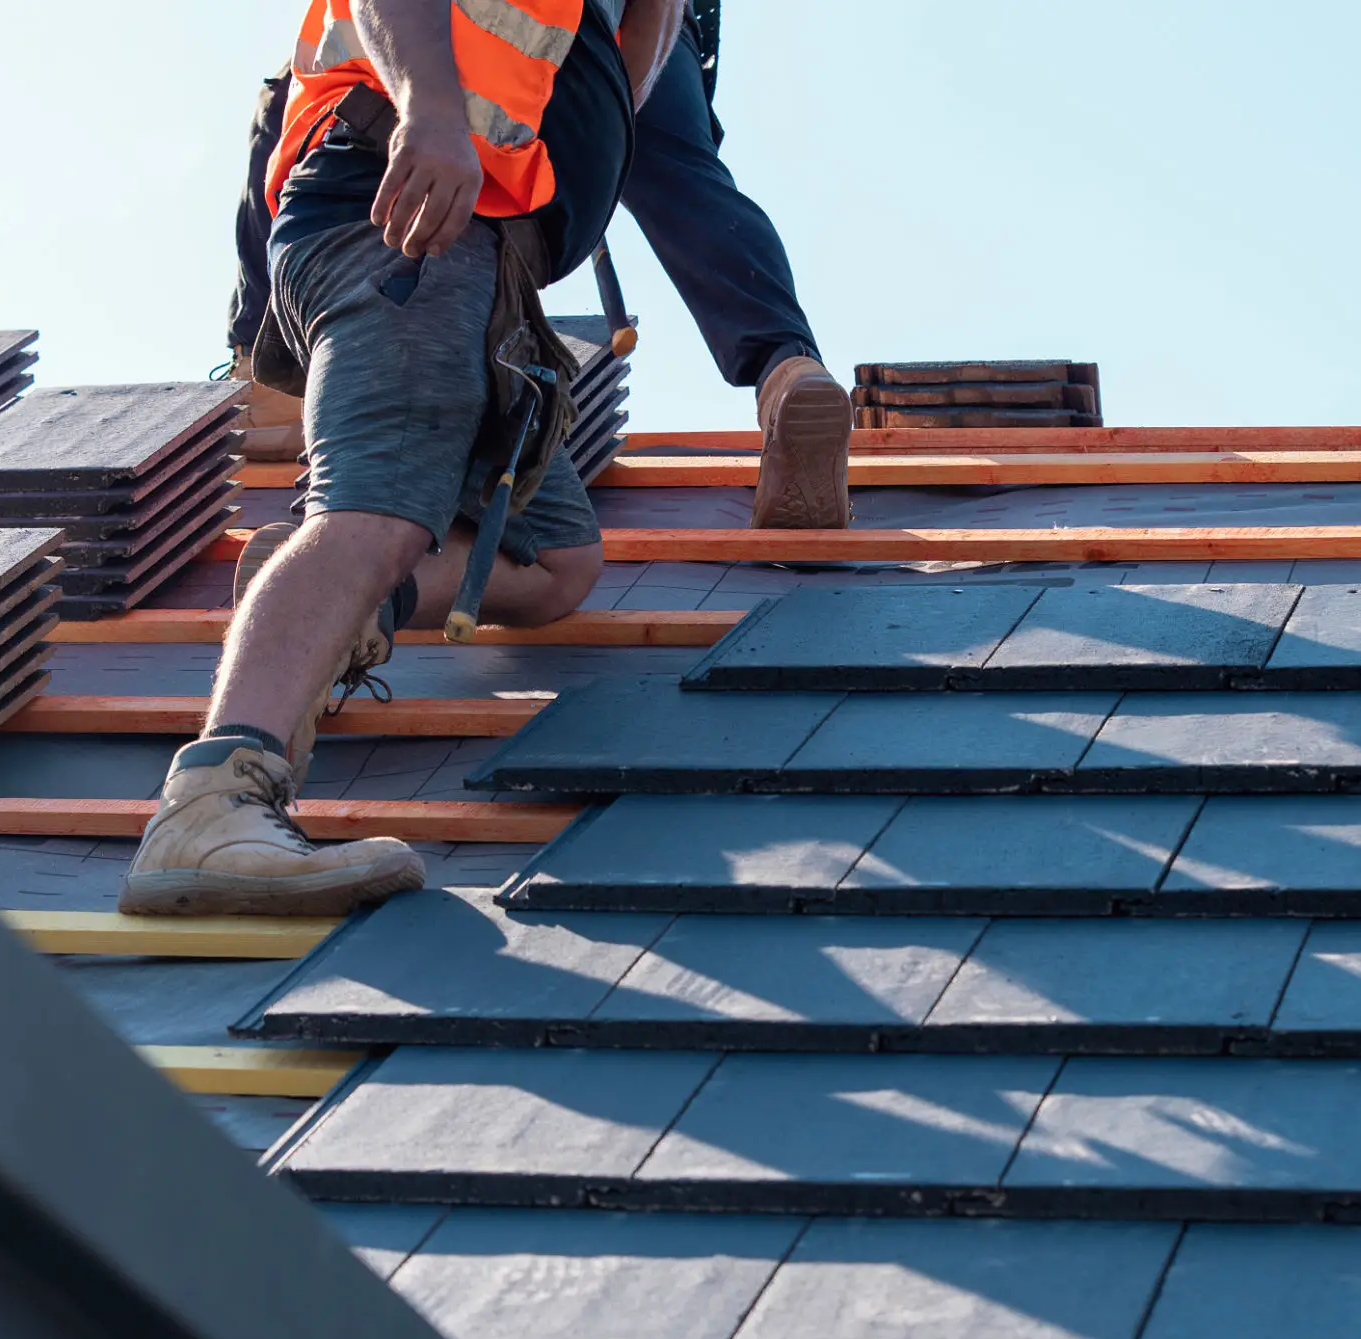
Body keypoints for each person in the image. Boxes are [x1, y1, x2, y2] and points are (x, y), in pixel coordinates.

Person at [121, 0, 682, 918]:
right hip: (400, 204)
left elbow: (627, 53)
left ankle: (346, 601)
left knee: (555, 562)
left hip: (482, 259)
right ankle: (211, 804)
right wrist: (428, 108)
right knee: (376, 515)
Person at [222, 0, 852, 528]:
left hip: (497, 24)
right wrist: (602, 141)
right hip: (627, 34)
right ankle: (786, 371)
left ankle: (263, 380)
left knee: (293, 107)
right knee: (685, 177)